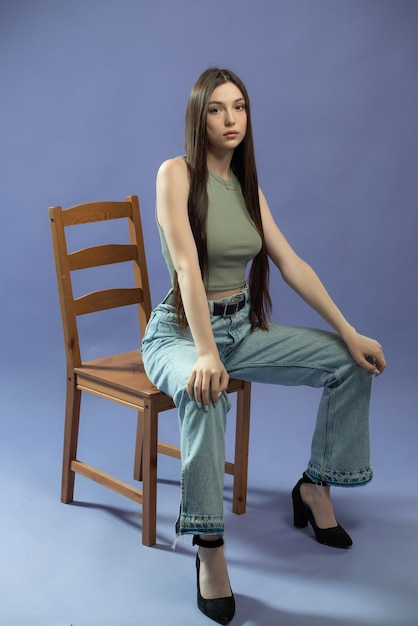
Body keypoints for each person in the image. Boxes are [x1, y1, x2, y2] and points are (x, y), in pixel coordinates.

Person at [141, 67, 386, 625]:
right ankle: (209, 547)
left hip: (241, 330)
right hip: (179, 333)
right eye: (217, 109)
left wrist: (349, 332)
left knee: (350, 365)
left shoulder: (248, 186)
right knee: (206, 393)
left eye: (240, 107)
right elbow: (185, 266)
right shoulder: (175, 174)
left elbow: (291, 264)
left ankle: (316, 487)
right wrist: (205, 352)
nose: (231, 119)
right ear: (198, 117)